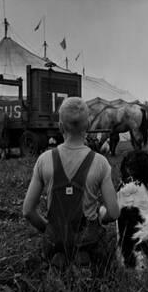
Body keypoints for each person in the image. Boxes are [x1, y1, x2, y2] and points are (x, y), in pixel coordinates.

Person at [22, 97, 120, 270]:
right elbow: (113, 212)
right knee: (96, 244)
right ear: (88, 125)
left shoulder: (44, 160)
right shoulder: (100, 162)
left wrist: (48, 229)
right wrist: (101, 216)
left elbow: (28, 211)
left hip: (55, 238)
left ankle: (58, 255)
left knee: (55, 247)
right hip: (88, 239)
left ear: (60, 127)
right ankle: (83, 256)